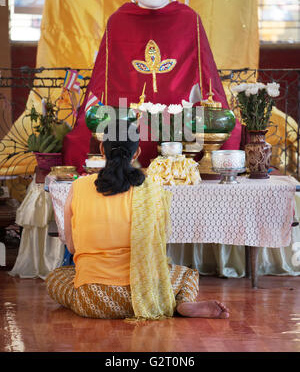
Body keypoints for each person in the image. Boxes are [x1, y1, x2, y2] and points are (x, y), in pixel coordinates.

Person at [63, 0, 241, 172]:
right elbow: (101, 82)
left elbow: (208, 81)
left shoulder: (189, 20)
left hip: (180, 118)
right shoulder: (118, 21)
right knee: (82, 137)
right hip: (126, 118)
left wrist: (210, 107)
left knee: (227, 129)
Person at [46, 120, 229, 320]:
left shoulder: (78, 186)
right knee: (187, 275)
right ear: (137, 153)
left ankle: (89, 298)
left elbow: (72, 248)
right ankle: (182, 302)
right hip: (145, 295)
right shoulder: (152, 190)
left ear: (101, 149)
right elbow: (156, 249)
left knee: (55, 277)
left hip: (92, 298)